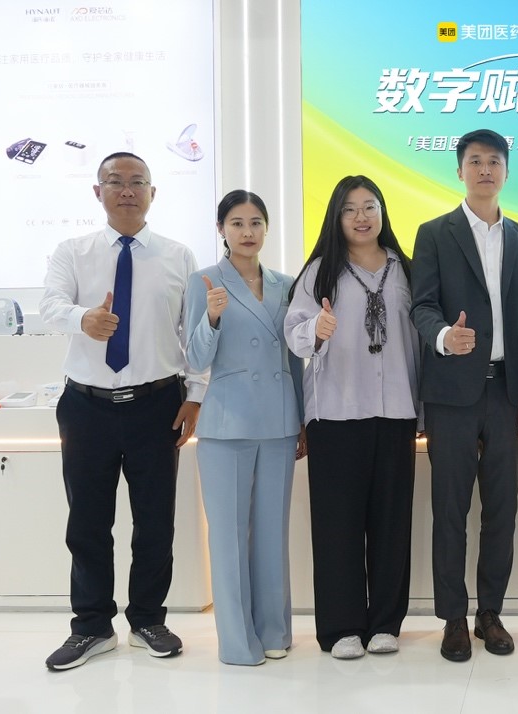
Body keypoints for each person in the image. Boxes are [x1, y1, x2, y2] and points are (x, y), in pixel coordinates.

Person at [40, 151, 205, 670]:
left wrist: (196, 394)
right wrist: (82, 318)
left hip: (158, 403)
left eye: (138, 182)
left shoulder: (178, 256)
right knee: (88, 522)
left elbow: (193, 332)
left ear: (153, 193)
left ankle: (148, 619)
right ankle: (91, 627)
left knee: (155, 521)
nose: (127, 190)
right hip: (86, 406)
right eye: (115, 181)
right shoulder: (73, 251)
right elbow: (49, 307)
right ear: (98, 192)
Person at [410, 129, 518, 662]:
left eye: (494, 161)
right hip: (451, 392)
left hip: (508, 392)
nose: (485, 169)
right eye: (475, 161)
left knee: (502, 511)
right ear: (459, 170)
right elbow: (421, 305)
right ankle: (453, 618)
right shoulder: (433, 233)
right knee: (450, 509)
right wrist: (445, 336)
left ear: (506, 171)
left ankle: (490, 613)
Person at [285, 176, 420, 659]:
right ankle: (341, 628)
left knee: (391, 523)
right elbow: (293, 333)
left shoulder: (406, 269)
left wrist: (423, 409)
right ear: (336, 217)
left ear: (383, 212)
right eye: (350, 209)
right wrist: (316, 329)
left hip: (396, 410)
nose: (361, 217)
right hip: (336, 413)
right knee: (337, 525)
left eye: (370, 206)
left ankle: (385, 623)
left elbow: (420, 339)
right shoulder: (320, 271)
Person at [185, 190, 304, 666]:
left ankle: (274, 631)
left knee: (273, 532)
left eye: (256, 222)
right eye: (237, 223)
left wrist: (302, 418)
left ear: (267, 228)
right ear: (222, 229)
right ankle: (237, 642)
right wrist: (212, 317)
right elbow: (195, 358)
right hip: (225, 423)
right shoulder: (204, 281)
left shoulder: (286, 284)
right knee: (229, 537)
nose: (247, 232)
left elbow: (295, 357)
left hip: (279, 420)